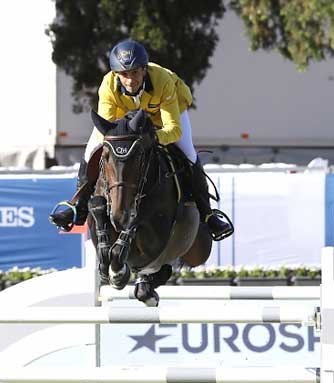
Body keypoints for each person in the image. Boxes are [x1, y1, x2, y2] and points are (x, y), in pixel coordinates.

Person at [49, 38, 233, 241]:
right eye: (124, 74)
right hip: (125, 118)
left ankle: (208, 214)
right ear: (116, 74)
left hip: (164, 116)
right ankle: (78, 206)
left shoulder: (162, 80)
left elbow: (173, 130)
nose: (130, 80)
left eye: (135, 72)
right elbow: (106, 129)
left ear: (144, 69)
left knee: (188, 153)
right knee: (92, 147)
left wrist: (150, 138)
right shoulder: (108, 86)